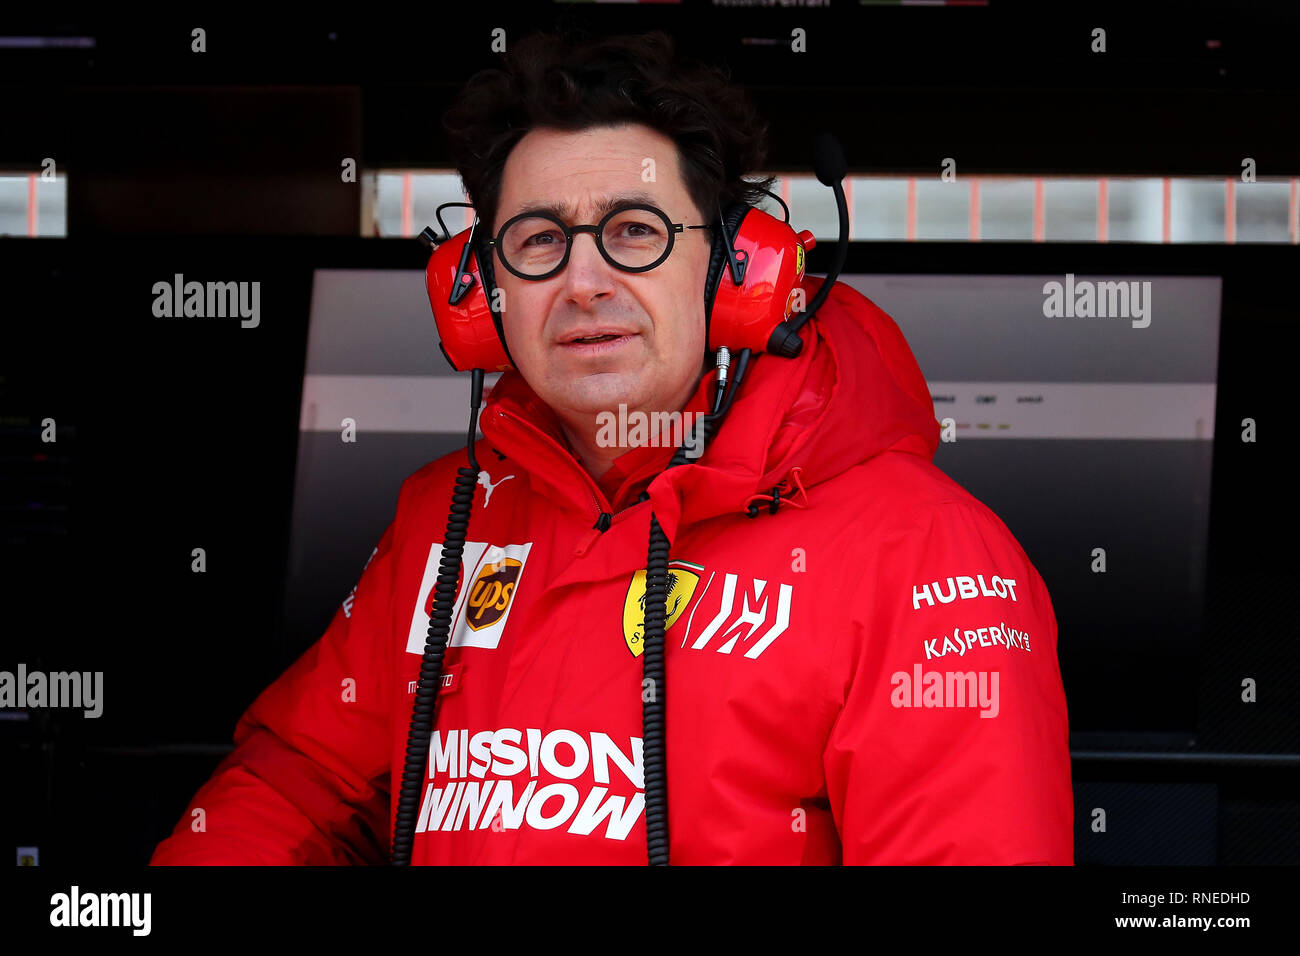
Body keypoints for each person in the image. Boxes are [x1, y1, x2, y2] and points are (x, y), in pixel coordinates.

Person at [151, 28, 1072, 866]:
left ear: (737, 270)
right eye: (539, 239)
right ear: (479, 290)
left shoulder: (925, 558)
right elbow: (294, 787)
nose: (584, 282)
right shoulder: (445, 516)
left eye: (633, 232)